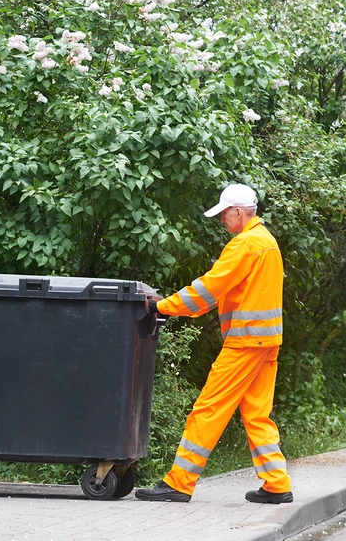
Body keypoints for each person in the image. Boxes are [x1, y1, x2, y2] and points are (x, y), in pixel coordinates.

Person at [136, 183, 293, 504]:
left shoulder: (244, 244)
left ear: (238, 212)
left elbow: (209, 289)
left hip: (245, 342)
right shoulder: (268, 242)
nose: (222, 220)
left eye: (224, 214)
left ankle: (179, 482)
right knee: (257, 414)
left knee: (208, 409)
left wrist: (162, 306)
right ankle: (276, 484)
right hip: (267, 342)